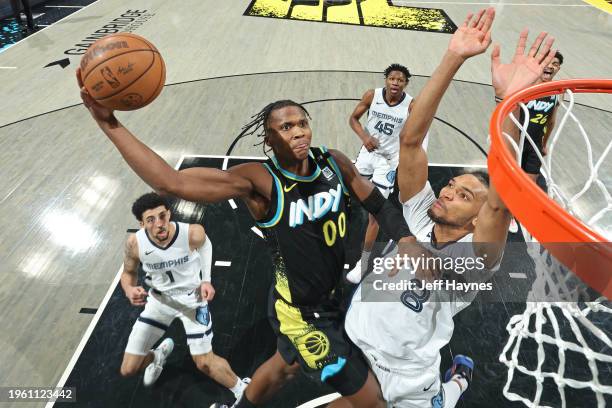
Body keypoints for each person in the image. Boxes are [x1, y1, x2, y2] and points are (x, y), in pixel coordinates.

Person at [77, 64, 417, 405]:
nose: (298, 132)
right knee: (373, 402)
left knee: (286, 366)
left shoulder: (333, 162)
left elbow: (379, 205)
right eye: (286, 127)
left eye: (302, 123)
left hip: (330, 294)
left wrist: (406, 239)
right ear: (269, 139)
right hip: (300, 311)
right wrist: (108, 122)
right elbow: (171, 182)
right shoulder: (259, 181)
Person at [342, 10, 558, 408]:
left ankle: (455, 383)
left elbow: (500, 199)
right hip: (354, 342)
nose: (448, 190)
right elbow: (410, 141)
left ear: (478, 220)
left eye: (463, 195)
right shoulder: (420, 213)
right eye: (452, 185)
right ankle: (457, 379)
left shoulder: (478, 259)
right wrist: (453, 56)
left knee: (438, 400)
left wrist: (507, 104)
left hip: (407, 376)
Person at [119, 192, 249, 400]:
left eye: (162, 216)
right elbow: (128, 273)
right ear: (141, 224)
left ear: (169, 213)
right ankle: (156, 356)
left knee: (204, 362)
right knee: (128, 368)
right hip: (159, 302)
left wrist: (206, 279)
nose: (159, 224)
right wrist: (129, 289)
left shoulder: (192, 233)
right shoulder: (135, 244)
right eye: (150, 220)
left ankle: (243, 391)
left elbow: (206, 245)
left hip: (192, 300)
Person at [347, 63, 429, 284]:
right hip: (367, 154)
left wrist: (413, 160)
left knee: (375, 214)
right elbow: (353, 119)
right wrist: (365, 137)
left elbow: (422, 132)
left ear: (405, 83)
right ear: (386, 80)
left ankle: (363, 262)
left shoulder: (411, 105)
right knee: (351, 194)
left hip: (389, 162)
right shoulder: (371, 96)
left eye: (400, 80)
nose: (395, 83)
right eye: (392, 79)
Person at [520, 51, 564, 183]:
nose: (550, 66)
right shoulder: (525, 85)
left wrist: (544, 144)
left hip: (535, 143)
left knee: (530, 183)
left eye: (555, 64)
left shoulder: (557, 92)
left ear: (558, 68)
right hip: (517, 140)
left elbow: (551, 121)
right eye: (547, 62)